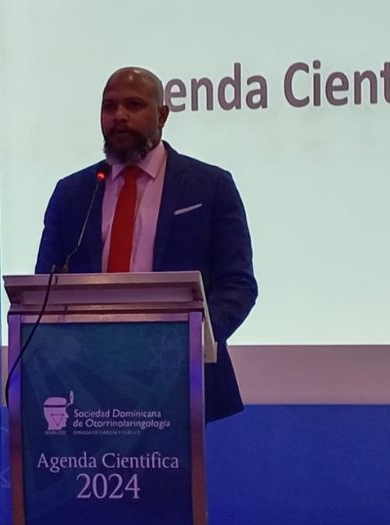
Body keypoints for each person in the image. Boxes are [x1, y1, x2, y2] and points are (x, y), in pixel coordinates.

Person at [36, 66, 257, 422]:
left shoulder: (210, 186)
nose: (119, 116)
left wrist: (191, 341)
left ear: (163, 115)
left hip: (179, 378)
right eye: (109, 107)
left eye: (134, 105)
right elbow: (43, 288)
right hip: (86, 382)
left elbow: (238, 285)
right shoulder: (73, 193)